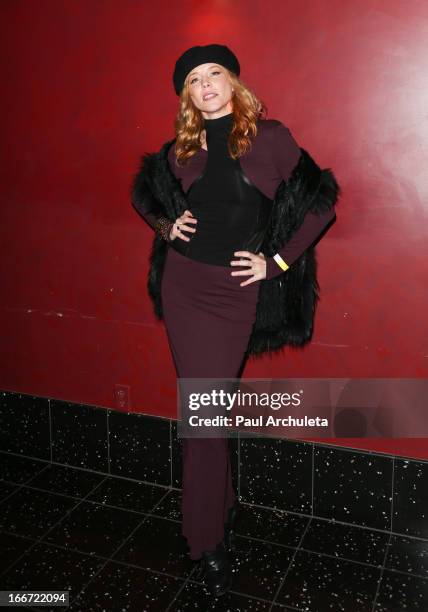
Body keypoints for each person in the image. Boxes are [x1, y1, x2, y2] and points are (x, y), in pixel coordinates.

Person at [130, 44, 340, 597]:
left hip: (232, 296)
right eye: (193, 80)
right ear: (187, 96)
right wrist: (164, 228)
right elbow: (145, 194)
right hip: (184, 288)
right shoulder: (183, 146)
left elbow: (321, 204)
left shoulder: (270, 138)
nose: (204, 85)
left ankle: (208, 526)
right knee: (205, 415)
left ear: (233, 82)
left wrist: (277, 262)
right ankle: (210, 535)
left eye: (213, 74)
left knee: (205, 415)